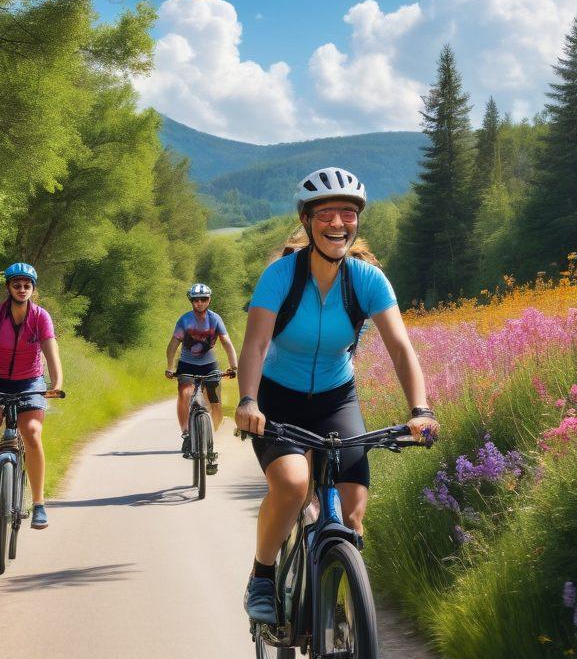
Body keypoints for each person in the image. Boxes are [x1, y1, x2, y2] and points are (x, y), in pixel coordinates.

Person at [235, 168, 439, 623]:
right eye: (325, 212)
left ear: (357, 221)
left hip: (335, 399)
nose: (337, 222)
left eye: (347, 212)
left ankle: (340, 602)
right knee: (291, 485)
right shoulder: (280, 276)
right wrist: (248, 401)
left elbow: (400, 348)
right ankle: (263, 576)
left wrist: (419, 409)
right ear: (307, 221)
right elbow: (256, 345)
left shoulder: (366, 280)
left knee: (352, 514)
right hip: (277, 399)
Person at [0, 262, 63, 530]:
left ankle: (39, 504)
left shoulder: (41, 317)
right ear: (8, 287)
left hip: (30, 381)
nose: (22, 289)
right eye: (16, 285)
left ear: (33, 289)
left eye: (27, 285)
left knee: (31, 432)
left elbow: (51, 354)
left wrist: (57, 383)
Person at [166, 283, 238, 469]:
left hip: (209, 364)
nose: (199, 303)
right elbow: (173, 344)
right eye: (196, 300)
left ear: (209, 300)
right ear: (191, 301)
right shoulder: (185, 320)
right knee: (185, 393)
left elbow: (227, 343)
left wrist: (233, 366)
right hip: (187, 364)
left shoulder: (215, 319)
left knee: (215, 402)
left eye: (203, 299)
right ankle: (186, 434)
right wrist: (169, 366)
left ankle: (210, 438)